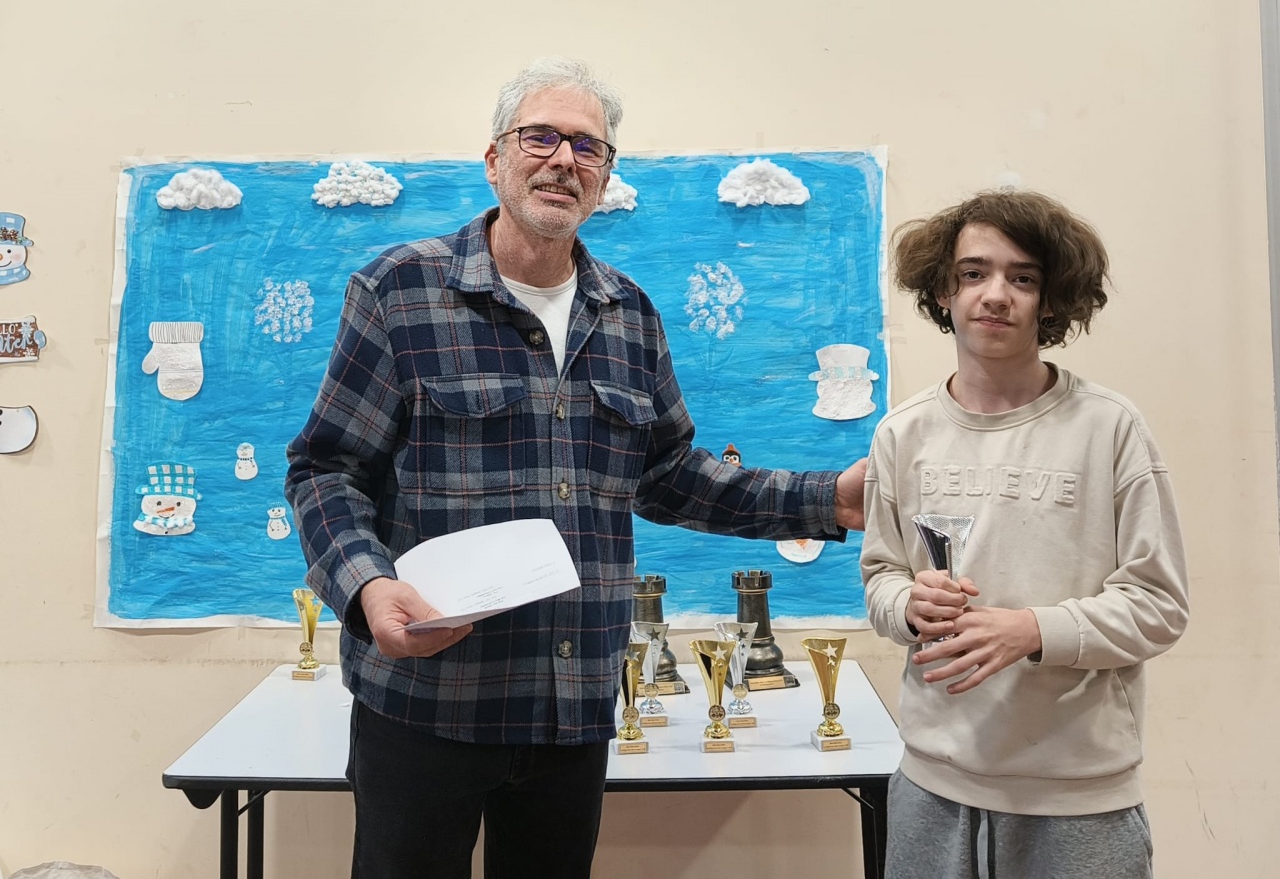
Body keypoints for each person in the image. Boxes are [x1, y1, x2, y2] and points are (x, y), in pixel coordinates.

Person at [285, 56, 866, 879]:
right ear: (495, 159)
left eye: (588, 146)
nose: (564, 159)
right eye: (541, 137)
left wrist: (827, 501)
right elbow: (325, 469)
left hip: (575, 707)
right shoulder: (399, 291)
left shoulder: (628, 314)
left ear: (605, 177)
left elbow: (668, 475)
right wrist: (367, 588)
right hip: (426, 703)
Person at [859, 189, 1189, 878]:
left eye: (1023, 277)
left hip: (1079, 798)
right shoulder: (902, 434)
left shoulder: (1110, 428)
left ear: (1050, 298)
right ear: (943, 291)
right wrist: (907, 605)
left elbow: (1159, 606)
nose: (996, 294)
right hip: (930, 787)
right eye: (973, 273)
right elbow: (882, 578)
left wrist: (1033, 630)